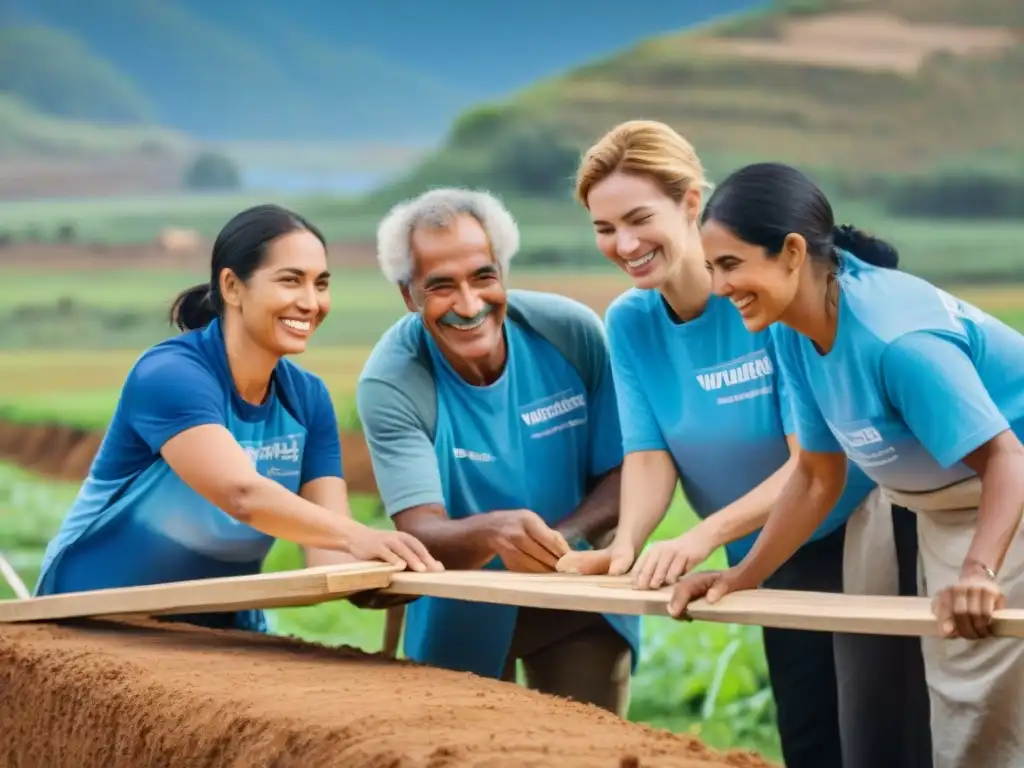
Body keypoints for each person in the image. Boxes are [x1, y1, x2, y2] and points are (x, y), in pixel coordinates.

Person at [556, 120, 931, 768]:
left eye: (638, 218)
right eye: (603, 228)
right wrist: (624, 549)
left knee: (891, 734)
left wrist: (700, 537)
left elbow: (810, 465)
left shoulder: (760, 297)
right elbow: (649, 455)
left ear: (691, 203)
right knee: (810, 734)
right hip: (769, 549)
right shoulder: (630, 321)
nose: (623, 243)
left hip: (863, 533)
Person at [670, 159, 1024, 768]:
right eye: (711, 268)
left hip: (1006, 498)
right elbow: (815, 476)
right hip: (951, 504)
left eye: (730, 264)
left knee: (979, 705)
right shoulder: (790, 327)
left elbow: (1005, 458)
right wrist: (740, 577)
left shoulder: (897, 341)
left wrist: (980, 571)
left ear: (790, 252)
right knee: (946, 699)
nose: (719, 286)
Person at [35, 204, 441, 632]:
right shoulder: (170, 376)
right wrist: (360, 535)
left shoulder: (308, 399)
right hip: (91, 615)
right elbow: (240, 494)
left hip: (217, 626)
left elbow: (330, 552)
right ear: (232, 286)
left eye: (321, 284)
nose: (310, 302)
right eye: (290, 280)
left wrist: (387, 570)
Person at [355, 186, 641, 715]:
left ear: (503, 273)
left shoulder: (570, 332)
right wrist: (495, 532)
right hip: (463, 606)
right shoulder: (393, 381)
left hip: (580, 595)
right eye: (440, 286)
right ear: (408, 294)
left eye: (483, 277)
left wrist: (564, 540)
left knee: (590, 752)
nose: (468, 305)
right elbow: (418, 530)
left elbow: (629, 471)